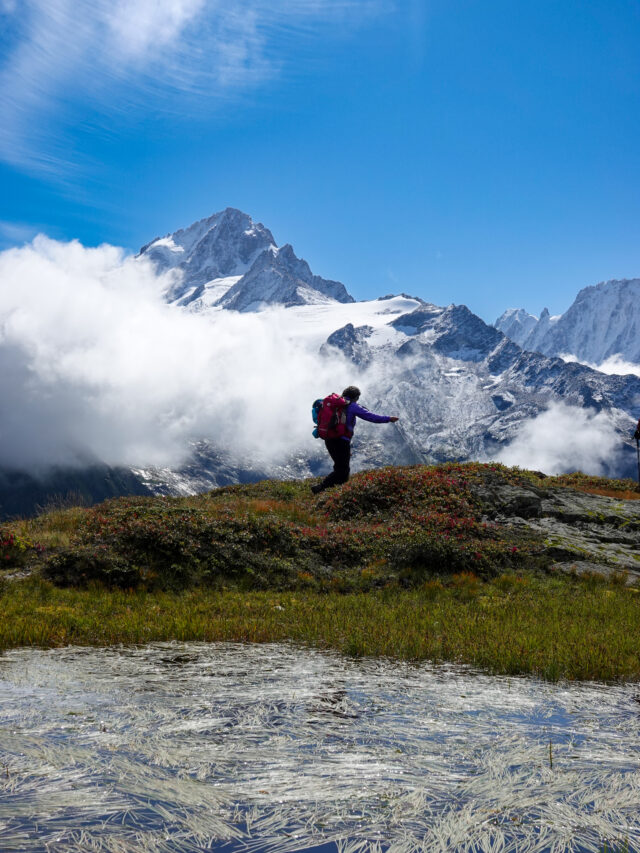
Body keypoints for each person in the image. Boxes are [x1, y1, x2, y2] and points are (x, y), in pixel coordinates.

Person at [311, 386, 399, 494]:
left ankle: (335, 492)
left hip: (329, 439)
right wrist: (388, 419)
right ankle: (321, 488)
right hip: (341, 441)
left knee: (341, 468)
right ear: (356, 397)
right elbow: (371, 417)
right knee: (342, 471)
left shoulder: (336, 404)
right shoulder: (352, 406)